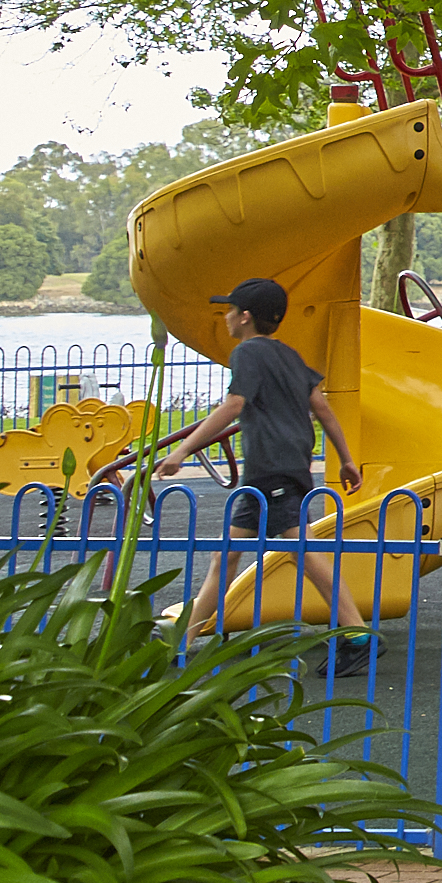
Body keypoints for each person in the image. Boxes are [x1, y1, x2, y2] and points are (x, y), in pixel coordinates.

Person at [140, 278, 375, 673]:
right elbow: (322, 408)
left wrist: (182, 450)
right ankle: (182, 640)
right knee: (227, 555)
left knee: (303, 552)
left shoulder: (247, 352)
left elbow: (234, 404)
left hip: (272, 469)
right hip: (280, 468)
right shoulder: (289, 355)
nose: (227, 317)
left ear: (245, 317)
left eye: (230, 310)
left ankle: (358, 635)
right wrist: (346, 459)